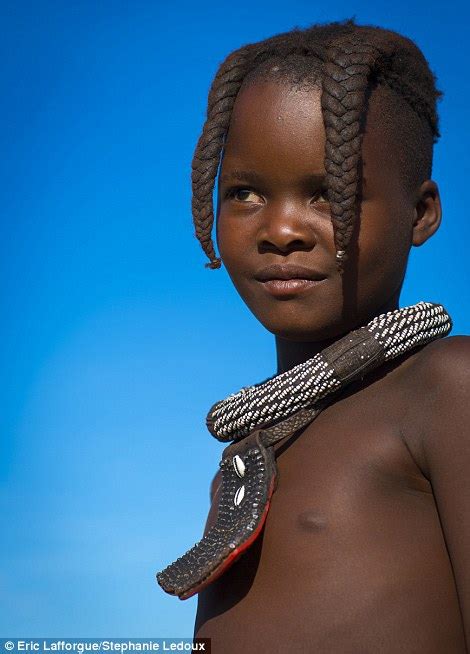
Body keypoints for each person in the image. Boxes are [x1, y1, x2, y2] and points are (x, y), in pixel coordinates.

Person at [158, 18, 470, 652]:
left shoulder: (446, 388)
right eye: (244, 192)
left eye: (328, 195)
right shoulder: (252, 451)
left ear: (420, 213)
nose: (281, 229)